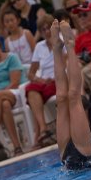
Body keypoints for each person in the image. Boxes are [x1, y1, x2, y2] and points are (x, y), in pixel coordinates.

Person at [51, 20, 91, 170]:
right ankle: (68, 46)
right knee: (72, 97)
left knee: (63, 98)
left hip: (66, 157)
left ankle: (58, 48)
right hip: (85, 154)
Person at [26, 14, 57, 148]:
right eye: (43, 29)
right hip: (45, 83)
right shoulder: (39, 46)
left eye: (48, 28)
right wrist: (41, 80)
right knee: (31, 89)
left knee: (35, 90)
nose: (46, 32)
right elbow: (31, 73)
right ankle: (44, 129)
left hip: (60, 79)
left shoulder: (62, 41)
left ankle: (39, 135)